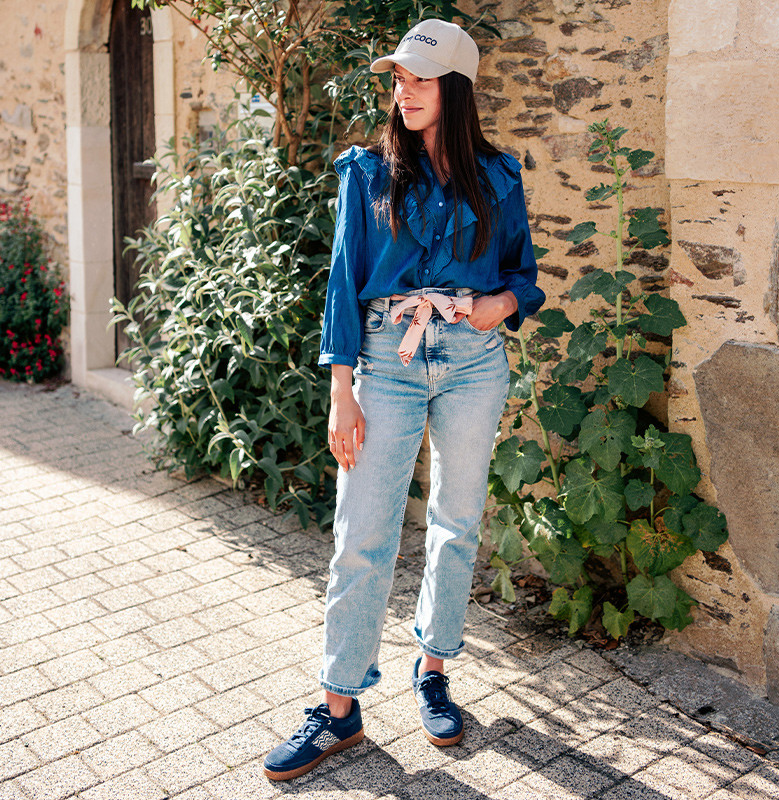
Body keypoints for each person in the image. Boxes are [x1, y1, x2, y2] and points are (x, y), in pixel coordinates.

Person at [263, 18, 545, 781]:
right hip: (386, 361)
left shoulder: (500, 177)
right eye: (399, 79)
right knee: (360, 535)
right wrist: (341, 389)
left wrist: (501, 307)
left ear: (455, 90)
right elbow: (343, 285)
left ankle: (435, 671)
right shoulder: (366, 173)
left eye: (420, 80)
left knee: (457, 523)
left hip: (473, 360)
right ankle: (338, 709)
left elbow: (524, 273)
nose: (404, 91)